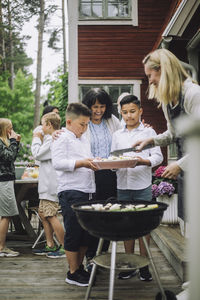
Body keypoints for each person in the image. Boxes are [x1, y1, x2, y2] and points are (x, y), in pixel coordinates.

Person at [132, 48, 200, 225]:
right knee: (190, 224)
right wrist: (152, 141)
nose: (151, 81)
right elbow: (173, 133)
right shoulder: (168, 101)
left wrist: (179, 164)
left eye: (150, 76)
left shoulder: (194, 94)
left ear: (163, 68)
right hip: (188, 172)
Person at [111, 95, 163, 281]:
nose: (128, 116)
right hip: (122, 185)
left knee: (143, 227)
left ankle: (144, 266)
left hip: (142, 185)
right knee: (126, 226)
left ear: (140, 111)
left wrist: (143, 161)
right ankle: (129, 264)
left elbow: (158, 158)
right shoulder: (117, 135)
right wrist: (114, 163)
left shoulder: (150, 132)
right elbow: (113, 158)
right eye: (124, 112)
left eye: (132, 111)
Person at [51, 103, 98, 286]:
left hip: (87, 191)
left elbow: (86, 158)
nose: (85, 128)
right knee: (73, 232)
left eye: (87, 125)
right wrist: (82, 163)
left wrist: (93, 161)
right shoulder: (62, 138)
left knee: (85, 233)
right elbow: (58, 163)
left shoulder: (83, 138)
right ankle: (72, 273)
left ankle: (79, 269)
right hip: (70, 190)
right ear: (69, 122)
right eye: (82, 124)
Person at [82, 88, 122, 266]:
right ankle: (90, 255)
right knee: (92, 215)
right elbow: (69, 135)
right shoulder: (82, 122)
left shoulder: (112, 120)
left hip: (110, 176)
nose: (98, 111)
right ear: (87, 106)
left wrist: (144, 129)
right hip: (90, 176)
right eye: (94, 106)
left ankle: (102, 254)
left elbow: (125, 136)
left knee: (108, 215)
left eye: (102, 106)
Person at [31, 112, 65, 258]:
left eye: (43, 124)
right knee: (43, 213)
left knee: (51, 215)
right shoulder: (51, 139)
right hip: (46, 184)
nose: (41, 127)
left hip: (51, 185)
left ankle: (65, 246)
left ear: (49, 125)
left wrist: (36, 139)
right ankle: (50, 244)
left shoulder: (51, 139)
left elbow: (37, 154)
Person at [0, 118, 21, 257]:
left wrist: (15, 143)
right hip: (3, 181)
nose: (12, 131)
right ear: (4, 129)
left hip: (5, 181)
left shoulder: (4, 142)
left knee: (5, 214)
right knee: (6, 215)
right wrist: (14, 141)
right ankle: (1, 247)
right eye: (10, 128)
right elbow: (9, 157)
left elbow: (12, 156)